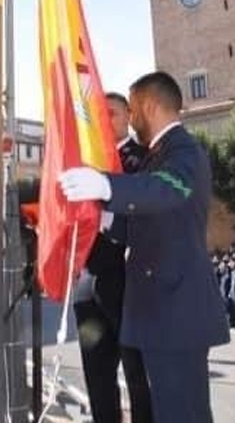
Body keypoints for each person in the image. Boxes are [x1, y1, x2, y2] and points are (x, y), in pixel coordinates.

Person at [57, 71, 230, 423]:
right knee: (171, 411)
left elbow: (168, 188)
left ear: (149, 107)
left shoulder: (182, 150)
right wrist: (96, 207)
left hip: (176, 311)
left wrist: (106, 185)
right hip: (161, 311)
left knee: (183, 413)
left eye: (132, 111)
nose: (131, 121)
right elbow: (134, 223)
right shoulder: (159, 154)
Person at [71, 92, 154, 423]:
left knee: (137, 371)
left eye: (113, 114)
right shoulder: (85, 163)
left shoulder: (142, 158)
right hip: (88, 282)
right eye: (99, 115)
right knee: (97, 374)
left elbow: (148, 211)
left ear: (129, 117)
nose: (105, 120)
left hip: (126, 279)